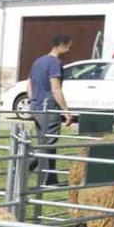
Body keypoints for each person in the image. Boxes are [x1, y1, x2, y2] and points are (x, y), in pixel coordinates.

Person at [27, 35, 73, 186]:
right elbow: (56, 89)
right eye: (68, 46)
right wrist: (66, 110)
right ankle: (23, 166)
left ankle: (50, 178)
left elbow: (29, 85)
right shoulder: (54, 63)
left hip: (36, 106)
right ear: (61, 45)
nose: (69, 50)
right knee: (48, 144)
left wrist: (32, 102)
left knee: (44, 142)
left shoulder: (38, 61)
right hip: (49, 108)